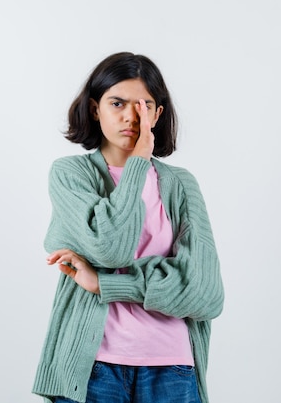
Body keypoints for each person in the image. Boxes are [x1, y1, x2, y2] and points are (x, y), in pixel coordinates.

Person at [32, 52, 225, 403]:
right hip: (91, 368)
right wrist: (137, 164)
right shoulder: (71, 175)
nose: (130, 116)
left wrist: (105, 283)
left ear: (157, 114)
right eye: (117, 102)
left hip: (173, 369)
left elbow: (205, 292)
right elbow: (112, 246)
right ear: (95, 109)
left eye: (144, 106)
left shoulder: (180, 185)